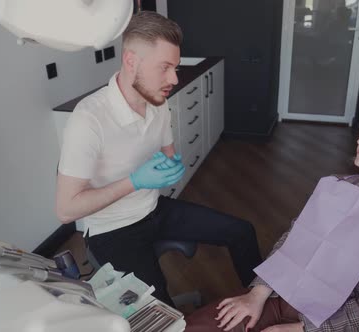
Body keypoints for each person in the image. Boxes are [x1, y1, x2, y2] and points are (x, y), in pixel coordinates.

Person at [55, 11, 262, 306]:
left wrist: (171, 163)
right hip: (112, 230)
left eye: (175, 67)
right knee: (161, 313)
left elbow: (168, 151)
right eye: (165, 67)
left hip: (154, 210)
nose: (174, 78)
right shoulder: (88, 119)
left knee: (243, 231)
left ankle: (260, 300)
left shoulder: (157, 104)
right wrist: (135, 181)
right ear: (131, 61)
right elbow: (65, 210)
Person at [185, 107, 359, 331]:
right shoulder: (338, 186)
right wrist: (257, 294)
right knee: (195, 326)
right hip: (286, 295)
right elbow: (291, 240)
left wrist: (302, 329)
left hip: (343, 323)